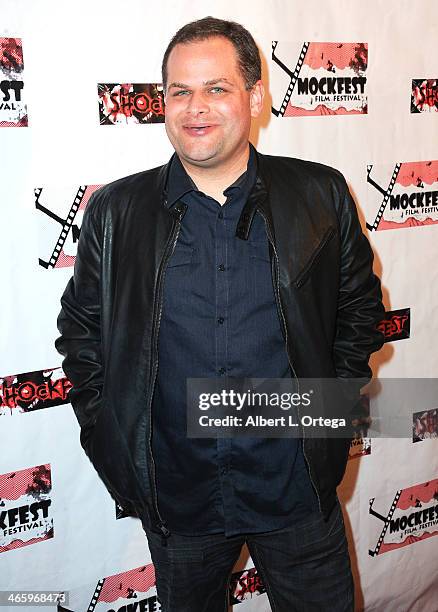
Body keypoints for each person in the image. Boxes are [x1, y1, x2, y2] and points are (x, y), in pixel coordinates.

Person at [55, 16, 385, 612]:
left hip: (296, 489)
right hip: (178, 501)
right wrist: (111, 441)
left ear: (255, 96)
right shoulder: (115, 210)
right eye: (179, 91)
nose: (195, 108)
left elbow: (359, 312)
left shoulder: (321, 194)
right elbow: (82, 336)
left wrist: (330, 420)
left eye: (216, 88)